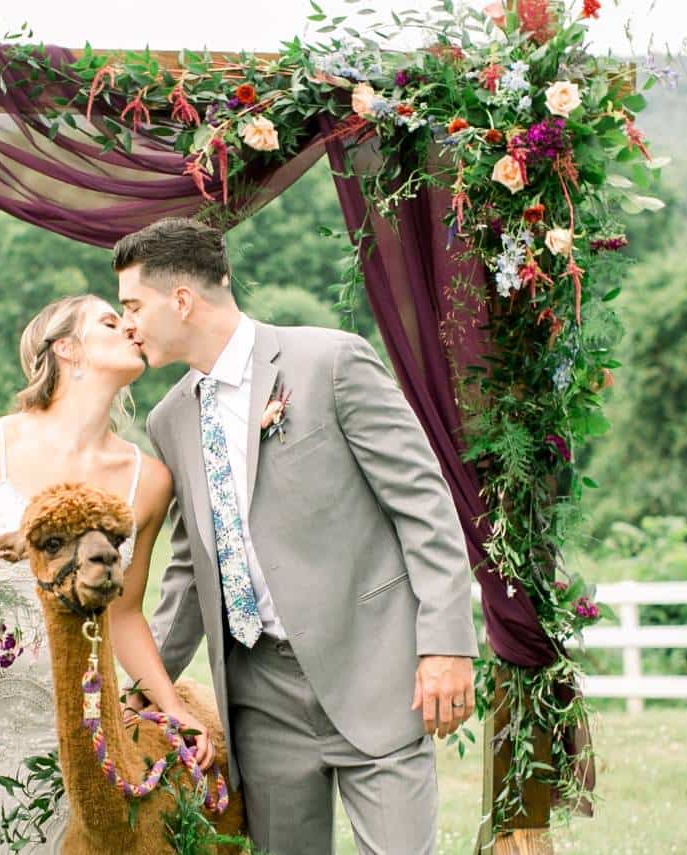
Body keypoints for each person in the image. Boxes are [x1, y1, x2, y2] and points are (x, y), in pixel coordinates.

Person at [115, 217, 479, 855]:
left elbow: (425, 505)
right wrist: (151, 689)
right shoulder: (169, 418)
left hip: (374, 667)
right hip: (258, 698)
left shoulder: (329, 361)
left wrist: (447, 645)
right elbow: (188, 568)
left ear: (180, 300)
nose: (127, 325)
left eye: (133, 305)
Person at [0, 293, 210, 853]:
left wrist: (173, 709)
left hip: (76, 716)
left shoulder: (147, 480)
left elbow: (123, 615)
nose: (130, 327)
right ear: (66, 348)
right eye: (109, 320)